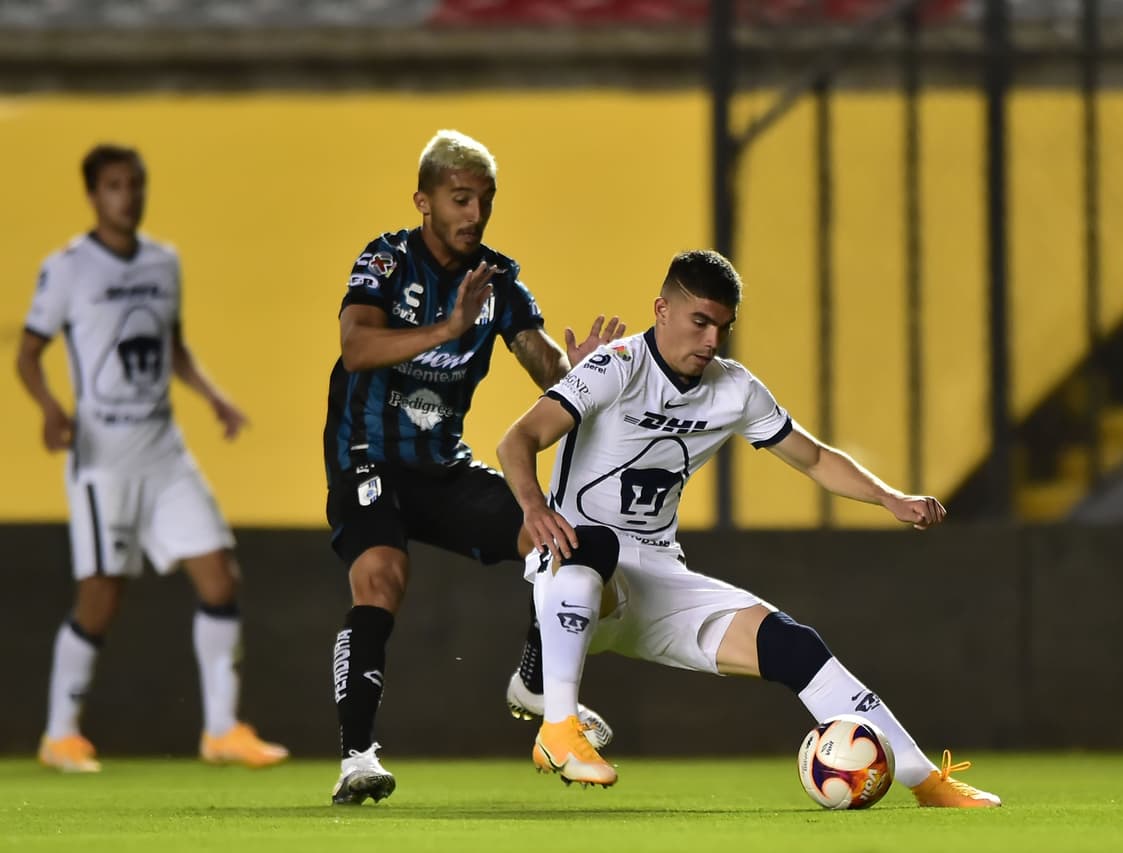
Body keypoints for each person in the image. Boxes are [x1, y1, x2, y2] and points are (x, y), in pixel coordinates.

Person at [496, 249, 1002, 807]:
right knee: (591, 542)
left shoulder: (733, 388)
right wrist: (535, 508)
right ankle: (559, 730)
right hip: (579, 566)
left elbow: (812, 458)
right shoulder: (616, 366)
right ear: (662, 310)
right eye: (700, 321)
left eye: (723, 326)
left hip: (659, 574)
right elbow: (516, 440)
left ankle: (926, 782)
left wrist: (889, 497)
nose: (712, 339)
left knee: (795, 645)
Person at [324, 129, 620, 805]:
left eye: (484, 201)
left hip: (443, 467)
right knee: (380, 577)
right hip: (369, 460)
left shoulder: (499, 281)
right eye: (460, 199)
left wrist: (589, 370)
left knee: (563, 538)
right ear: (423, 201)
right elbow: (357, 345)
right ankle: (356, 757)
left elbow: (548, 366)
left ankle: (536, 681)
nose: (474, 215)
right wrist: (446, 330)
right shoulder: (384, 261)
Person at [17, 144, 289, 773]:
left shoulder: (165, 262)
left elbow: (173, 346)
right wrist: (51, 409)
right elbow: (27, 354)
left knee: (220, 575)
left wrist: (216, 398)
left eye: (136, 184)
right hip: (102, 456)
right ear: (94, 195)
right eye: (115, 186)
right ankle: (60, 733)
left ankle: (221, 729)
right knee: (101, 595)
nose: (128, 196)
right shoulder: (67, 269)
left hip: (164, 451)